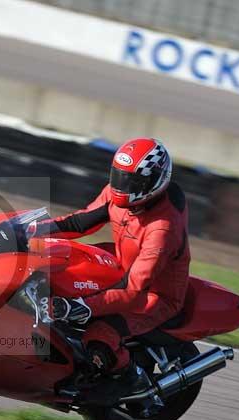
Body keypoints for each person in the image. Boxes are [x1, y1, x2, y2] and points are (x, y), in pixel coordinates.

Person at [32, 137, 191, 396]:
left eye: (132, 181)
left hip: (152, 296)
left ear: (155, 181)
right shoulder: (121, 194)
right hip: (119, 267)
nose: (122, 187)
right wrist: (33, 231)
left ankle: (134, 381)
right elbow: (80, 222)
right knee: (56, 264)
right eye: (119, 176)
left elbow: (134, 287)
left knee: (98, 339)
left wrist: (82, 306)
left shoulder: (163, 228)